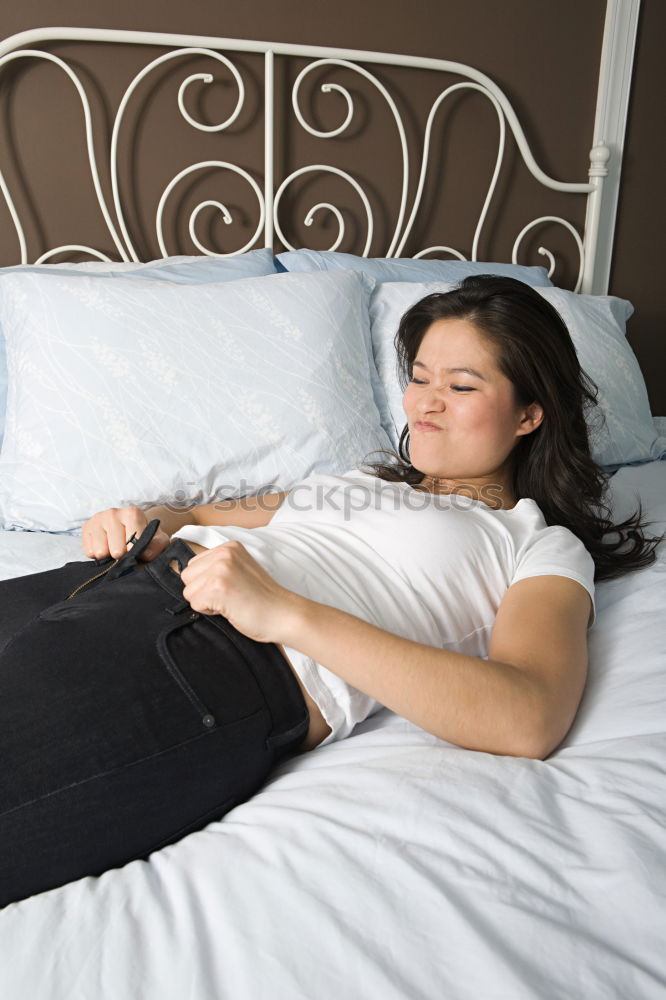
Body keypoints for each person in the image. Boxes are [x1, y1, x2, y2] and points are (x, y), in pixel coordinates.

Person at [0, 275, 660, 908]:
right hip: (107, 583)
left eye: (461, 385)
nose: (424, 403)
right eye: (421, 378)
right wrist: (137, 517)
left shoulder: (534, 542)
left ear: (530, 414)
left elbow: (527, 716)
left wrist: (285, 614)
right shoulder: (355, 482)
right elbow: (193, 514)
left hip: (213, 656)